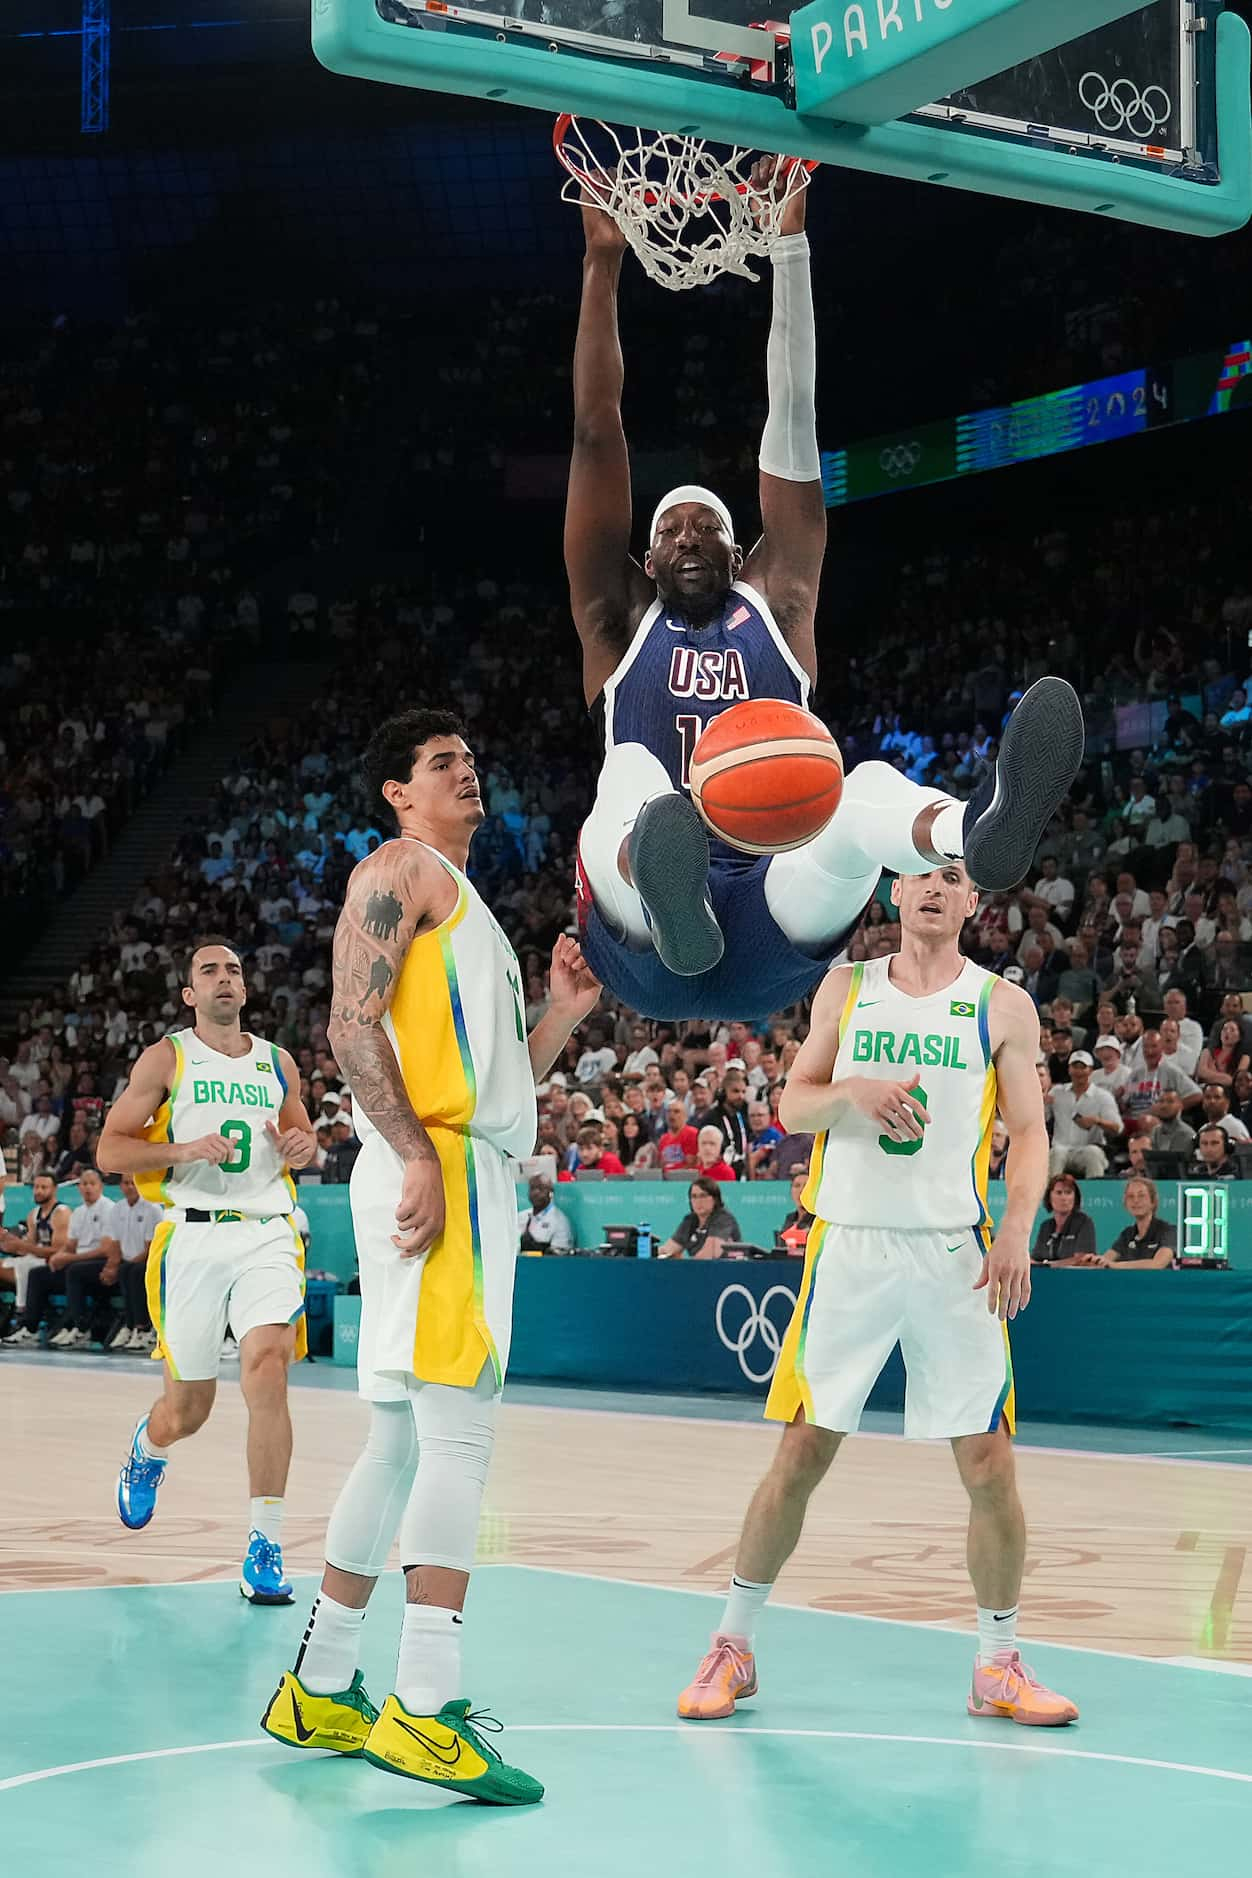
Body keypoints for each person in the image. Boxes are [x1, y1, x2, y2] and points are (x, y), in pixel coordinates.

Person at [566, 181, 1083, 1021]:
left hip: (780, 914)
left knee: (858, 784)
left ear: (743, 554)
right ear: (644, 557)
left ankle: (972, 833)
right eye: (671, 530)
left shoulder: (782, 601)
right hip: (647, 945)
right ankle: (667, 885)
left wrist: (792, 247)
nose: (689, 538)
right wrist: (600, 261)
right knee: (630, 773)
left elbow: (794, 414)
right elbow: (597, 431)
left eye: (708, 529)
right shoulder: (616, 620)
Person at [261, 708, 600, 1805]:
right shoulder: (400, 867)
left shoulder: (472, 910)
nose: (468, 771)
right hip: (440, 1169)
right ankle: (422, 1705)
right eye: (442, 762)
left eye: (473, 756)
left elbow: (499, 1082)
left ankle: (318, 1681)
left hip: (457, 1158)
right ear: (397, 794)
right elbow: (350, 1027)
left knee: (399, 1439)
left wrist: (555, 1018)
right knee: (460, 1433)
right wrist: (413, 1154)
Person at [675, 862, 1077, 1728]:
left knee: (990, 1465)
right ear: (895, 894)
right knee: (802, 1454)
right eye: (921, 875)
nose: (936, 888)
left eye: (956, 878)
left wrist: (1016, 1229)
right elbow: (791, 1106)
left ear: (975, 903)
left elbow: (1034, 1132)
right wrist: (851, 1093)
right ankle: (733, 1646)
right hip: (849, 1248)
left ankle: (997, 1664)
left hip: (952, 1255)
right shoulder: (845, 987)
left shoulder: (1001, 1004)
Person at [97, 937, 317, 1602]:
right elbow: (111, 1151)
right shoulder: (167, 1057)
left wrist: (302, 1146)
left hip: (266, 1234)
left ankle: (264, 1543)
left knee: (268, 1367)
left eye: (235, 971)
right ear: (189, 994)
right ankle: (149, 1447)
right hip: (191, 1241)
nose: (225, 979)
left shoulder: (279, 1064)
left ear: (245, 991)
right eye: (209, 971)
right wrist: (182, 1147)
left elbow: (298, 1137)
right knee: (188, 1409)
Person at [0, 1171, 72, 1345]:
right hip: (36, 1258)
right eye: (36, 1187)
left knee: (27, 1269)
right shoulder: (33, 1214)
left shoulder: (61, 1213)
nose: (38, 1191)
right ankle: (10, 1314)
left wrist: (23, 1246)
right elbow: (29, 1248)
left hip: (55, 1262)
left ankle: (22, 1314)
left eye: (43, 1187)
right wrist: (10, 1243)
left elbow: (58, 1250)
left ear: (54, 1189)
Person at [107, 1173, 165, 1351]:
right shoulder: (117, 1209)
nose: (130, 1187)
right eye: (126, 1183)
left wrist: (125, 1264)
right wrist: (111, 1266)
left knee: (132, 1272)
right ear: (121, 1186)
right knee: (125, 1271)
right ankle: (130, 1325)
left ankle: (144, 1328)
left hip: (153, 1260)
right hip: (129, 1262)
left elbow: (150, 1248)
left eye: (133, 1183)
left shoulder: (152, 1208)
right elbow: (115, 1244)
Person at [1047, 1051, 1123, 1178]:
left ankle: (1095, 1195)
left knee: (1092, 1152)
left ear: (1091, 1070)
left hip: (1087, 1149)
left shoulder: (1102, 1096)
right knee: (1056, 1153)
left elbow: (1117, 1128)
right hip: (1061, 1149)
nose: (1078, 1071)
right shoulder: (1057, 1092)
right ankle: (1050, 1194)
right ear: (1069, 1069)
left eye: (1083, 1067)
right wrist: (1041, 1104)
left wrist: (1098, 1121)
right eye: (1075, 1067)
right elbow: (1043, 1118)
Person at [657, 1176, 742, 1260]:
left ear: (715, 1199)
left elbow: (709, 1255)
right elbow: (668, 1250)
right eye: (694, 1196)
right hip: (702, 1270)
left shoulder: (723, 1218)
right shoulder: (690, 1220)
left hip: (729, 1270)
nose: (698, 1201)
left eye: (703, 1196)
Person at [1099, 1178, 1177, 1268]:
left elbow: (1157, 1264)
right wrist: (1094, 1261)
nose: (1135, 1200)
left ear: (1153, 1202)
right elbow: (1106, 1260)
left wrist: (1114, 1265)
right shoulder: (1127, 1234)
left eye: (1141, 1196)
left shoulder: (1169, 1231)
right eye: (1131, 1196)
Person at [1031, 1174, 1097, 1266]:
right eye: (1059, 1192)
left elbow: (1083, 1259)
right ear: (1049, 1197)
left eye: (1068, 1192)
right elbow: (1036, 1259)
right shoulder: (1046, 1226)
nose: (1064, 1198)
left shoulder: (1084, 1222)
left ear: (1075, 1197)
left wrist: (1049, 1265)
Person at [517, 1175, 574, 1255]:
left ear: (551, 1193)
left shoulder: (560, 1221)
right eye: (532, 1188)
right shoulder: (520, 1217)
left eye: (540, 1189)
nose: (535, 1193)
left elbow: (560, 1256)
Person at [1195, 1018, 1251, 1091]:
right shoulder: (1207, 1052)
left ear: (1239, 1037)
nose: (1227, 1032)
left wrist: (1209, 1077)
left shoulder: (1244, 1057)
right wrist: (1225, 1078)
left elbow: (1235, 1081)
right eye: (1224, 1029)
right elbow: (1201, 1073)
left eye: (1232, 1030)